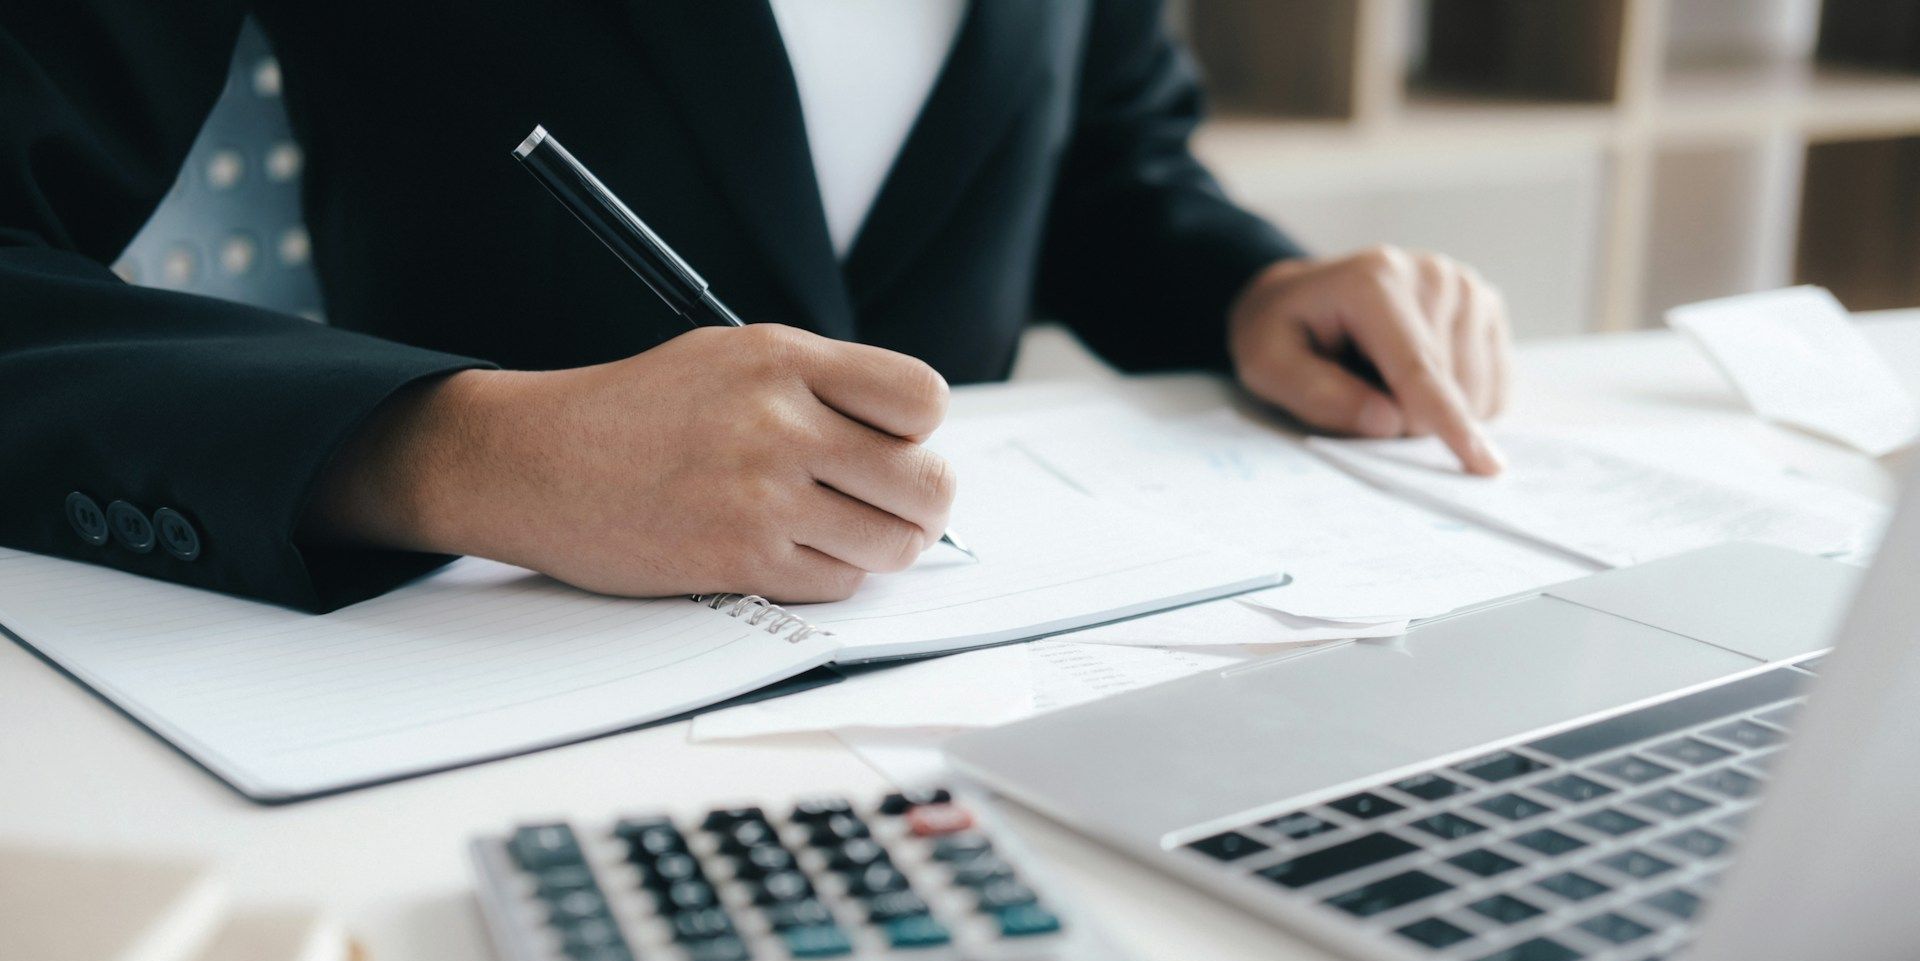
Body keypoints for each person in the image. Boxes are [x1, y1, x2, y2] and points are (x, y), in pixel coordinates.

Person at [0, 0, 1511, 613]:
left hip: (991, 686)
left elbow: (1099, 163)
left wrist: (1247, 286)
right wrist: (450, 453)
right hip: (478, 704)